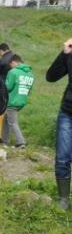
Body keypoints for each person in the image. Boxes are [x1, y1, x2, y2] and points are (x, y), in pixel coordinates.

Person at [45, 37, 72, 209]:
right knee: (62, 157)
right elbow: (51, 77)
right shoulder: (70, 54)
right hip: (68, 112)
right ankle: (63, 199)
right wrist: (64, 53)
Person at [3, 54, 33, 147]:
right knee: (6, 119)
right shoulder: (30, 74)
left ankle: (20, 142)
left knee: (12, 122)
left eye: (10, 65)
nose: (10, 67)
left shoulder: (13, 72)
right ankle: (4, 139)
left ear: (13, 62)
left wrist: (2, 86)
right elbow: (29, 90)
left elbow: (9, 87)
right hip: (22, 100)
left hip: (12, 100)